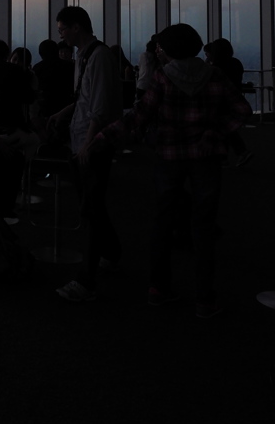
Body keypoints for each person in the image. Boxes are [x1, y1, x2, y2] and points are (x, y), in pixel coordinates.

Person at [95, 24, 252, 317]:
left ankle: (159, 288)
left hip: (169, 157)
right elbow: (242, 110)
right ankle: (205, 298)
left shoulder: (162, 78)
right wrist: (215, 134)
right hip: (206, 158)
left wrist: (102, 138)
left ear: (167, 50)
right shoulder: (214, 75)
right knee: (203, 227)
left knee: (163, 222)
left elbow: (139, 118)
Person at [47, 6, 122, 302]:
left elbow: (100, 108)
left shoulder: (99, 57)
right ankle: (112, 251)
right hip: (81, 140)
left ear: (77, 27)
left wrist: (88, 146)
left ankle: (86, 280)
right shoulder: (84, 56)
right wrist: (63, 113)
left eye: (63, 29)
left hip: (91, 144)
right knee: (92, 204)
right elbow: (84, 99)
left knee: (90, 208)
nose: (61, 35)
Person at [204, 38, 253, 166]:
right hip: (233, 99)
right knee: (225, 127)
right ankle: (231, 154)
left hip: (220, 101)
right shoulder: (236, 63)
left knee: (222, 127)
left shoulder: (216, 67)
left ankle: (234, 153)